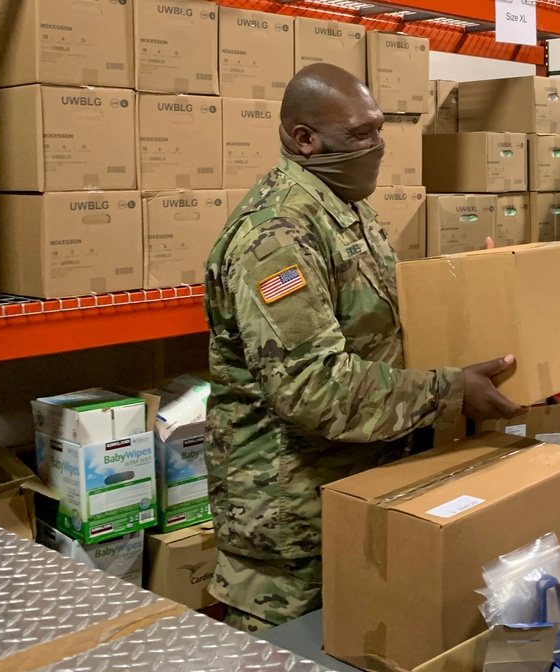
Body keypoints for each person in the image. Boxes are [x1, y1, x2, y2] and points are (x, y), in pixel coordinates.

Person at [203, 64, 523, 634]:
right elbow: (313, 387)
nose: (376, 146)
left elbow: (380, 332)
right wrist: (449, 390)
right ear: (305, 139)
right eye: (358, 134)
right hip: (291, 525)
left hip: (355, 490)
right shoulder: (278, 237)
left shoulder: (347, 208)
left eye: (379, 129)